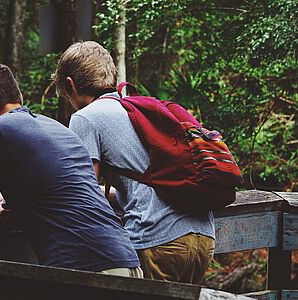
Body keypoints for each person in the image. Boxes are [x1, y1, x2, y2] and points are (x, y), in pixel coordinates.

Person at [0, 60, 142, 277]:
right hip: (126, 260)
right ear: (18, 97)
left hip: (86, 267)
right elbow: (62, 193)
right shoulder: (57, 128)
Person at [52, 41, 215, 283]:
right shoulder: (137, 109)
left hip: (158, 239)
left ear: (70, 85)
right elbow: (144, 186)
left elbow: (82, 192)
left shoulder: (85, 118)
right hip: (203, 237)